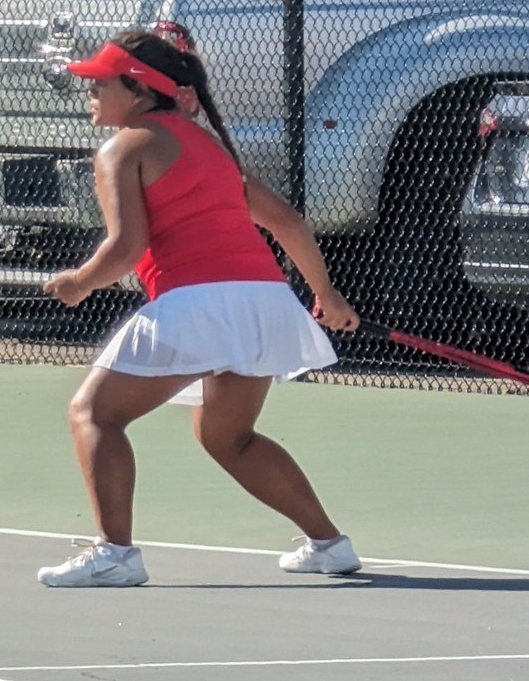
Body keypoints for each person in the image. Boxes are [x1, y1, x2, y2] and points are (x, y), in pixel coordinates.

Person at [38, 29, 361, 588]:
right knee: (226, 436)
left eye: (100, 83)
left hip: (198, 301)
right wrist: (324, 295)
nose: (88, 92)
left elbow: (126, 248)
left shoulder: (124, 147)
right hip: (263, 301)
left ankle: (115, 554)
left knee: (95, 414)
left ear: (138, 89)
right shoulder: (211, 149)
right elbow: (288, 221)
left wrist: (78, 282)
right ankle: (329, 545)